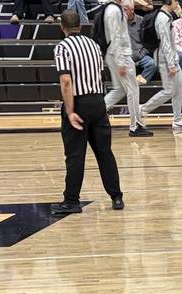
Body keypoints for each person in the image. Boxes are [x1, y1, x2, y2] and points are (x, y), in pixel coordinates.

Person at [52, 9, 124, 216]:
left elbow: (66, 81)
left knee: (75, 155)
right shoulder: (93, 45)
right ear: (80, 25)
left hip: (79, 103)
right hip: (98, 102)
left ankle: (71, 201)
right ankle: (116, 197)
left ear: (62, 27)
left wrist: (70, 110)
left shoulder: (62, 47)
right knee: (104, 152)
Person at [103, 0, 152, 136]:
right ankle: (135, 126)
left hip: (113, 54)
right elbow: (116, 37)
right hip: (121, 55)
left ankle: (95, 112)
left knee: (119, 90)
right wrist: (121, 62)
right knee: (133, 90)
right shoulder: (115, 11)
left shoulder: (111, 9)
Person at [139, 0, 182, 130]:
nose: (178, 3)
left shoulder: (168, 15)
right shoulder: (162, 18)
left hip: (172, 58)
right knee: (169, 90)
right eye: (175, 1)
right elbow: (165, 43)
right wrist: (171, 64)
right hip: (165, 60)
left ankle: (178, 120)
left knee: (178, 89)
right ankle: (142, 109)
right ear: (168, 1)